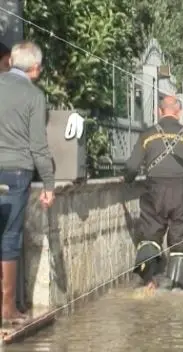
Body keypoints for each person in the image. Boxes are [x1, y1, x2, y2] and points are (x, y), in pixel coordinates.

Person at [124, 95, 183, 290]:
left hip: (154, 192)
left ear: (159, 111)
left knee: (150, 237)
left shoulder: (147, 135)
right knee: (181, 243)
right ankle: (177, 290)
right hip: (182, 194)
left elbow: (132, 167)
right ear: (179, 112)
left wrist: (128, 181)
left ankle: (148, 282)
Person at [0, 41, 55, 324]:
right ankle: (6, 309)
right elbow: (38, 146)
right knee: (9, 238)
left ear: (10, 62)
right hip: (15, 173)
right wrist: (48, 184)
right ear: (34, 69)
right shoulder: (34, 95)